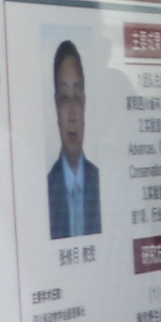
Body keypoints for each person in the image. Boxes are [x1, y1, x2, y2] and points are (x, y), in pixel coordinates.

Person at [47, 41, 101, 237]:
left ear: (84, 104)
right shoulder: (47, 189)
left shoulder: (100, 183)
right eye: (64, 98)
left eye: (76, 97)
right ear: (56, 107)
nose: (72, 115)